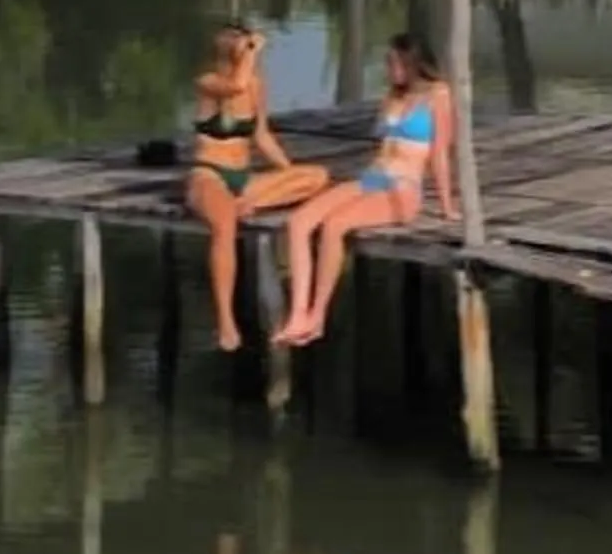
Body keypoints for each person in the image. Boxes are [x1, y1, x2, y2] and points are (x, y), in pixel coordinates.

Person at [274, 33, 453, 349]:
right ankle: (298, 312)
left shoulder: (438, 95)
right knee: (299, 222)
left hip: (404, 187)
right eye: (388, 62)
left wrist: (447, 205)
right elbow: (385, 148)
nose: (389, 68)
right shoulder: (392, 96)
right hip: (373, 178)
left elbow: (438, 154)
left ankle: (317, 316)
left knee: (335, 225)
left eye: (394, 62)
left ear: (412, 63)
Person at [186, 25, 330, 352]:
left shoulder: (255, 85)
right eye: (243, 47)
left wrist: (288, 173)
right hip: (209, 174)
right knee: (224, 226)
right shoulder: (208, 82)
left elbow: (261, 136)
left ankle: (250, 202)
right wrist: (251, 50)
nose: (251, 53)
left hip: (243, 179)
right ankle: (225, 320)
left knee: (317, 176)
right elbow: (234, 86)